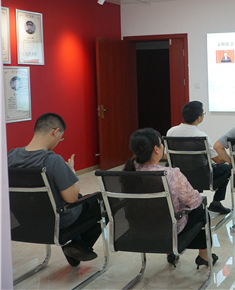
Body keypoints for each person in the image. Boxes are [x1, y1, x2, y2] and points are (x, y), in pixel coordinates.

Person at [8, 113, 102, 266]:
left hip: (24, 220)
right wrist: (71, 173)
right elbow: (71, 198)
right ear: (55, 132)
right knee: (100, 201)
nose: (59, 140)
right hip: (58, 221)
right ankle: (76, 245)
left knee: (80, 199)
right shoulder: (52, 160)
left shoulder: (10, 157)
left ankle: (76, 244)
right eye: (61, 137)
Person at [125, 128, 218, 268]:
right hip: (167, 231)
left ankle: (170, 253)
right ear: (156, 149)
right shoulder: (171, 174)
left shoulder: (128, 173)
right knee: (200, 210)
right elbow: (194, 200)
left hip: (137, 230)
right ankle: (203, 255)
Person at [166, 101, 232, 215]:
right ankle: (216, 202)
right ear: (199, 118)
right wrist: (229, 159)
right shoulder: (201, 136)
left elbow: (167, 156)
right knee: (226, 169)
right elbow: (217, 160)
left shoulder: (171, 131)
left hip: (179, 176)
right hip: (202, 178)